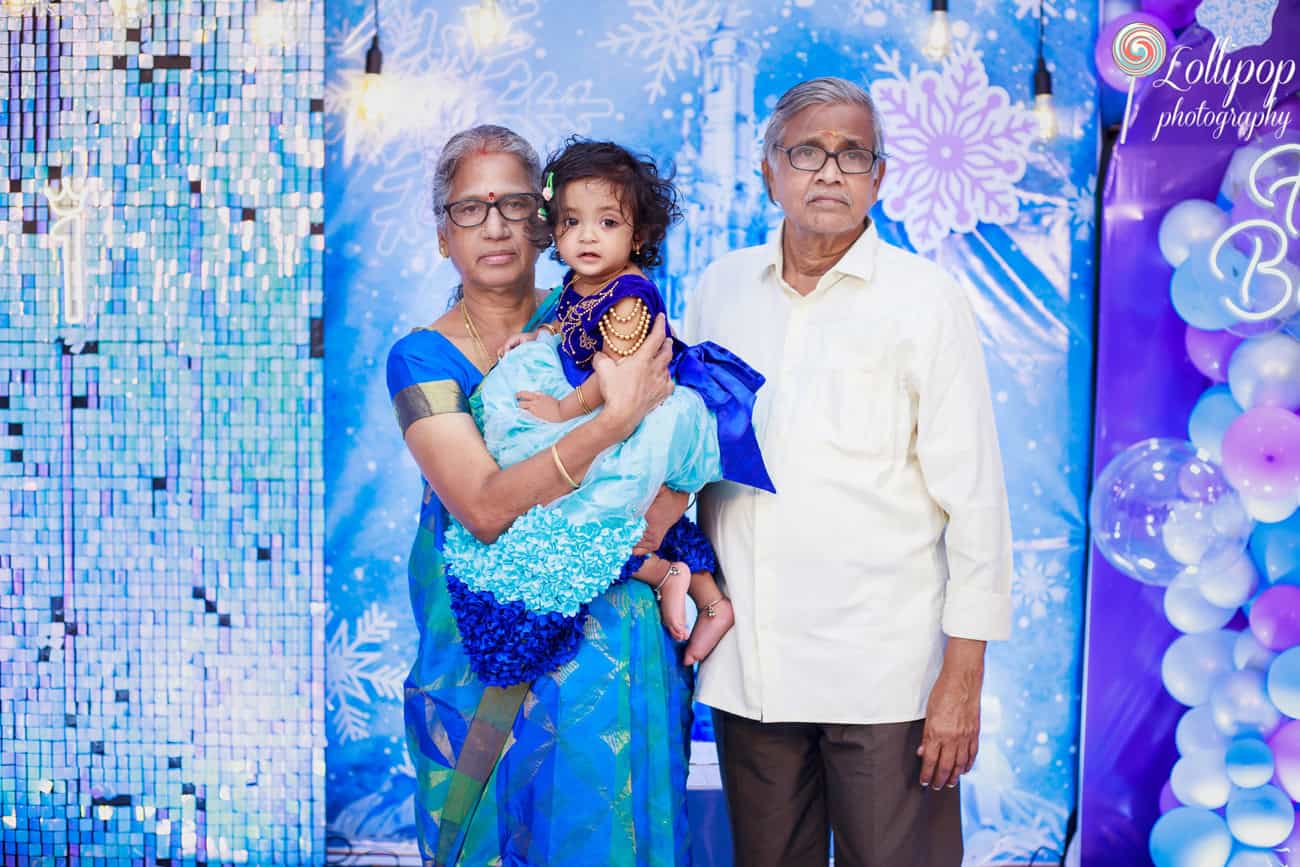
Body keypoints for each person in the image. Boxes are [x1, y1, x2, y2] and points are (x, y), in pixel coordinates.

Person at [684, 77, 1014, 867]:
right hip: (752, 669)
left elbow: (976, 500)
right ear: (769, 171)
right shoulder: (720, 288)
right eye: (806, 151)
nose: (828, 172)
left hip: (886, 676)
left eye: (851, 153)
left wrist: (960, 677)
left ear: (879, 177)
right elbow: (687, 452)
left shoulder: (925, 300)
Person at [386, 124, 694, 866]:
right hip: (482, 650)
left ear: (546, 222)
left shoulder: (608, 313)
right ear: (441, 236)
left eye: (515, 204)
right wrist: (609, 419)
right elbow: (485, 507)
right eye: (469, 209)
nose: (494, 225)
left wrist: (657, 536)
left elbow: (675, 437)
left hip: (612, 644)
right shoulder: (421, 357)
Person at [463, 138, 773, 672]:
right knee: (577, 478)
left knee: (607, 506)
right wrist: (538, 338)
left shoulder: (628, 299)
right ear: (553, 228)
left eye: (607, 223)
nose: (587, 236)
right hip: (626, 407)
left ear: (639, 233)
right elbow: (570, 322)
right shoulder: (583, 280)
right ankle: (696, 590)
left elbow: (617, 386)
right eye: (571, 222)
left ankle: (681, 583)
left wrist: (562, 414)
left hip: (659, 412)